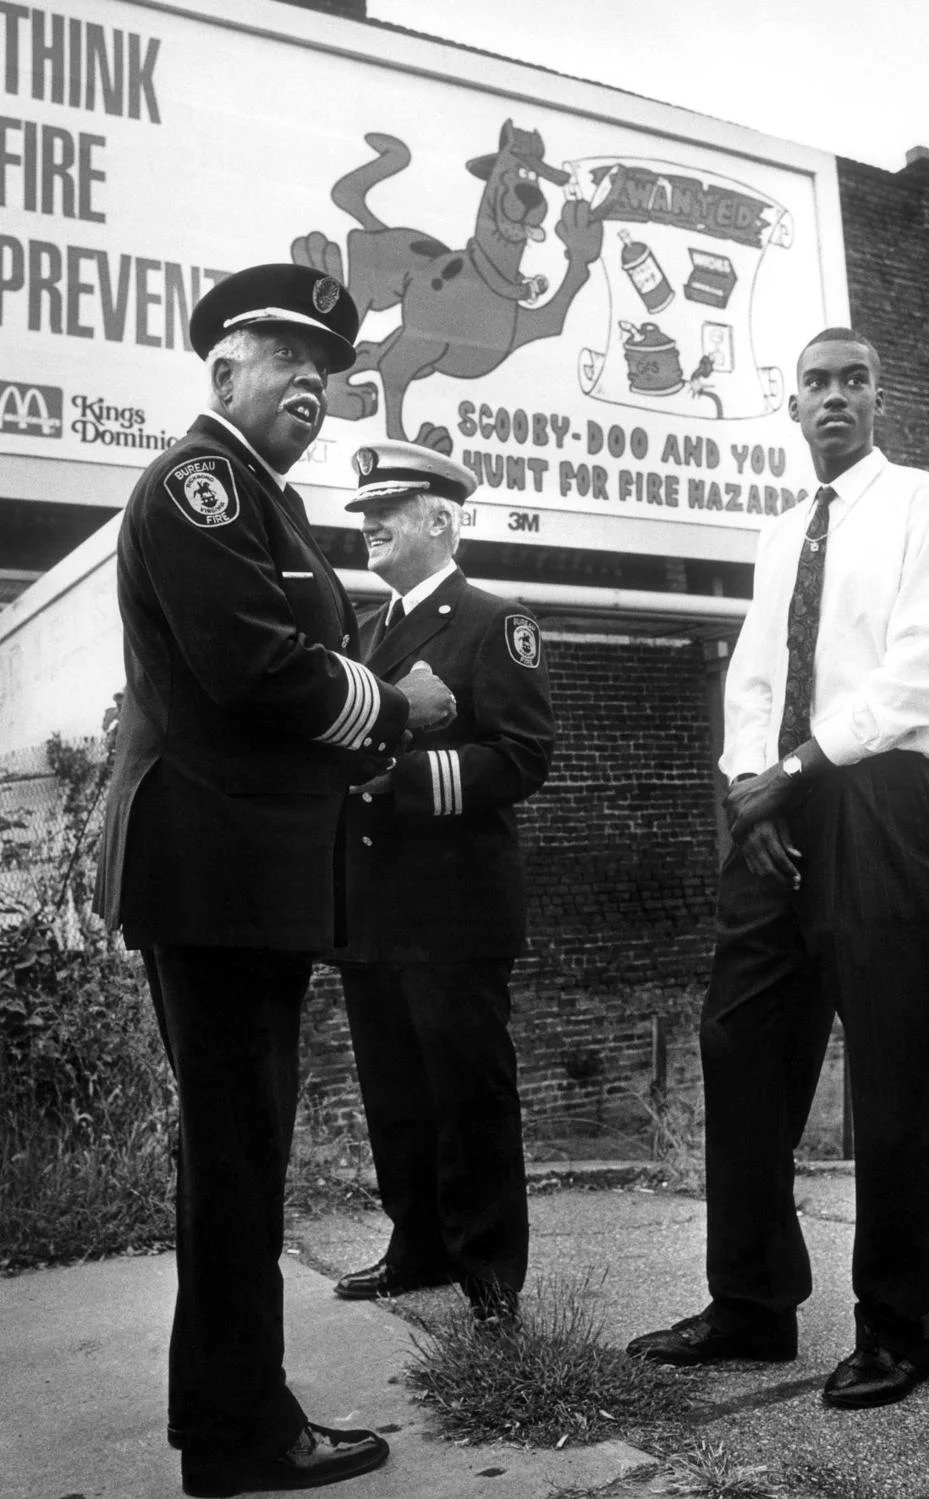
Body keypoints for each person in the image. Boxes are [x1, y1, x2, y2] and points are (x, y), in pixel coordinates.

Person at [93, 265, 456, 1497]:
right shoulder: (201, 487)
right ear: (222, 376)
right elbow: (259, 665)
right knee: (236, 1154)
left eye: (328, 367)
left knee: (239, 1152)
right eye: (285, 357)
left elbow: (304, 648)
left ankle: (236, 1413)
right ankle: (244, 1435)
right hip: (213, 868)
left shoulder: (267, 502)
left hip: (243, 870)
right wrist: (394, 704)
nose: (313, 382)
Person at [626, 328, 929, 1410]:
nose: (835, 397)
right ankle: (752, 1300)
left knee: (888, 1062)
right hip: (775, 809)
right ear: (794, 408)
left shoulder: (927, 504)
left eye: (854, 380)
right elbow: (754, 671)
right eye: (816, 383)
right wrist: (750, 791)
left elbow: (921, 669)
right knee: (738, 1040)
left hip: (872, 796)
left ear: (880, 395)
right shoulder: (780, 531)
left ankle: (899, 1326)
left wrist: (795, 766)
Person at [328, 440, 555, 1326]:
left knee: (469, 1093)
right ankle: (415, 1244)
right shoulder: (365, 631)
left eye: (387, 512)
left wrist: (408, 777)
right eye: (365, 512)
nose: (370, 526)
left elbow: (524, 756)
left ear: (440, 520)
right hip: (375, 907)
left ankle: (490, 1273)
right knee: (394, 1092)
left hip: (455, 908)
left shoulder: (495, 620)